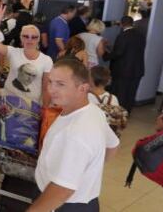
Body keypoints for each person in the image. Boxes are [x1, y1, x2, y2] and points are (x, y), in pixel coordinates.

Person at [28, 58, 119, 212]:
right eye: (50, 81)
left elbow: (62, 190)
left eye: (61, 84)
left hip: (64, 204)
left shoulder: (75, 132)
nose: (51, 89)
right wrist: (86, 170)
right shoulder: (93, 110)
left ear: (83, 88)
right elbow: (112, 145)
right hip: (81, 200)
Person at [0, 7, 52, 106]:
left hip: (31, 107)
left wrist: (45, 110)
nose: (29, 40)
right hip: (9, 102)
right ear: (21, 38)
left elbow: (46, 88)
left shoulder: (46, 60)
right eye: (26, 36)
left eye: (34, 37)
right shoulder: (13, 52)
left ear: (38, 39)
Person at [106, 16, 146, 114]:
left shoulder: (122, 36)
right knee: (131, 92)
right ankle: (127, 111)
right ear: (132, 23)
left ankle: (119, 112)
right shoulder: (141, 35)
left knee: (121, 92)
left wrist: (105, 55)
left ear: (122, 24)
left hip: (123, 69)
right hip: (137, 68)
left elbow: (119, 52)